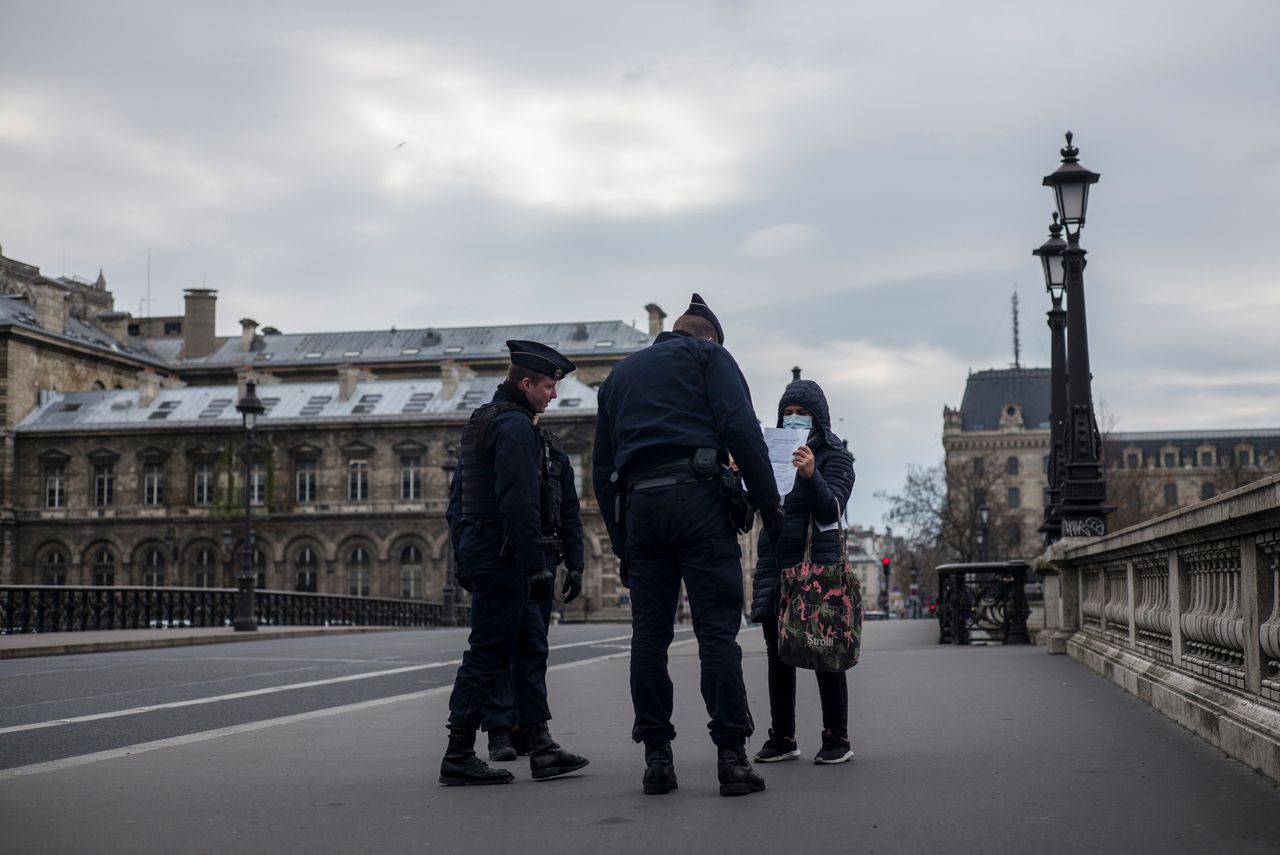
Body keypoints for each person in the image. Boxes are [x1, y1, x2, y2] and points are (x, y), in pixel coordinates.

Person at [593, 293, 785, 798]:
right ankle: (731, 758)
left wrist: (622, 543)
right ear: (710, 335)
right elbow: (742, 431)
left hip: (641, 512)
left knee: (649, 639)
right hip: (699, 504)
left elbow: (600, 469)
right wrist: (770, 507)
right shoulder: (711, 357)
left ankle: (657, 760)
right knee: (716, 635)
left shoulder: (618, 377)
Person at [439, 340, 589, 786]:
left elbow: (459, 503)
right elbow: (518, 503)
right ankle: (459, 751)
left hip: (492, 552)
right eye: (547, 386)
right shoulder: (517, 429)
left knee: (529, 649)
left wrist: (464, 553)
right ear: (525, 383)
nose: (553, 395)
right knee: (488, 652)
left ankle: (541, 745)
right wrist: (534, 567)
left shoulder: (484, 421)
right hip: (507, 557)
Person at [450, 418, 584, 761]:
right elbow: (460, 508)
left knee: (531, 646)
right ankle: (497, 733)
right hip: (509, 557)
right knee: (497, 649)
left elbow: (569, 510)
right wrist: (463, 559)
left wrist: (576, 562)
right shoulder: (493, 448)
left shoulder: (555, 454)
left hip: (540, 558)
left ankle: (533, 737)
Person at [750, 378, 856, 765]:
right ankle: (783, 736)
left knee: (824, 651)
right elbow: (751, 510)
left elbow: (832, 512)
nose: (793, 419)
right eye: (788, 413)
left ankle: (836, 737)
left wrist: (812, 475)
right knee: (778, 655)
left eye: (802, 414)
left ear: (819, 420)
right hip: (776, 567)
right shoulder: (773, 455)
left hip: (816, 571)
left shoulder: (835, 458)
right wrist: (739, 474)